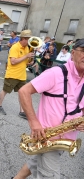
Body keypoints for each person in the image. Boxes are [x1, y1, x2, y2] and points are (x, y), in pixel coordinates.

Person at [12, 39, 84, 179]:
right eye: (83, 51)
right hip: (46, 136)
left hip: (66, 139)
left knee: (34, 163)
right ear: (73, 53)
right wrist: (34, 123)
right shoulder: (56, 73)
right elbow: (24, 91)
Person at [0, 29, 34, 118]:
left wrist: (29, 62)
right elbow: (13, 61)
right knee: (5, 90)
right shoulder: (15, 47)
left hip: (22, 75)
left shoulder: (27, 48)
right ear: (23, 38)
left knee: (23, 93)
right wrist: (26, 56)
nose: (30, 41)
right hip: (12, 74)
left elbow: (24, 61)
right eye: (28, 39)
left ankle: (22, 111)